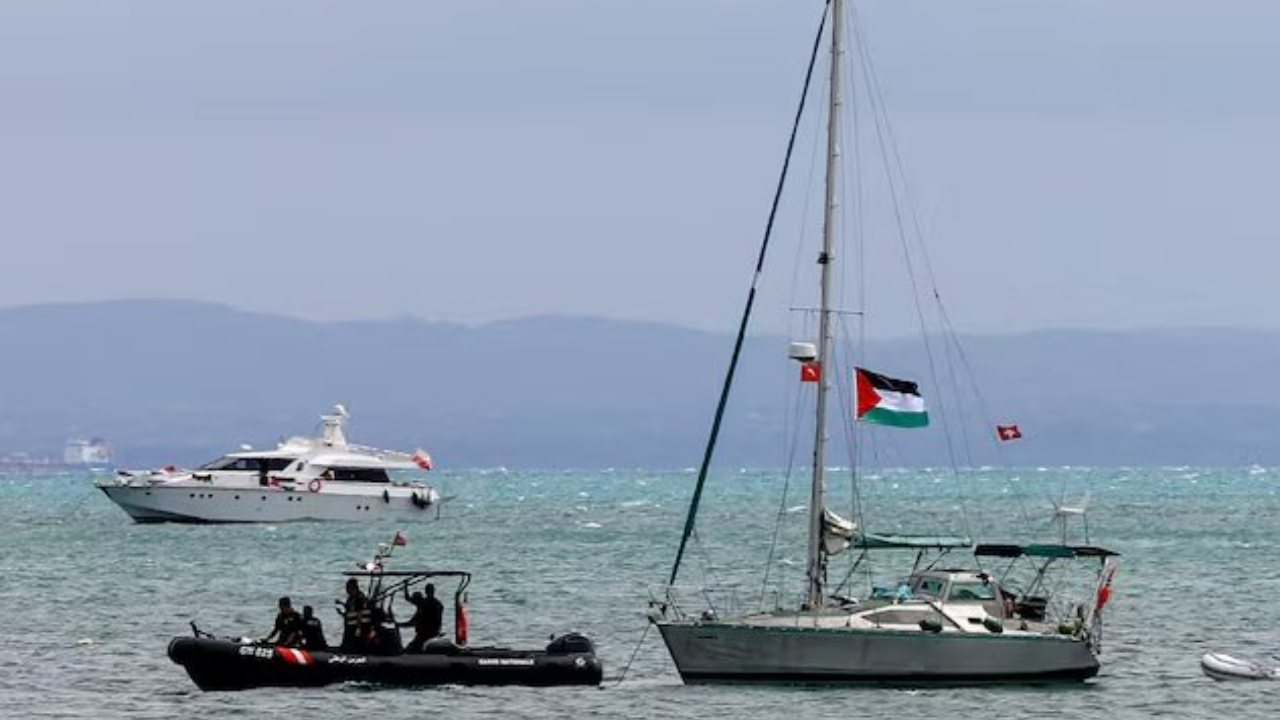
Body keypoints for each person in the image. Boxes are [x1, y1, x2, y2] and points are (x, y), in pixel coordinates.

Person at [400, 583, 445, 653]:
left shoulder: (424, 604)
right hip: (431, 632)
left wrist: (399, 625)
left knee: (407, 651)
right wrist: (405, 586)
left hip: (425, 635)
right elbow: (408, 598)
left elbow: (413, 622)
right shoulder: (437, 604)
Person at [340, 578, 369, 649]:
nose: (346, 590)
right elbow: (350, 609)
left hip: (356, 625)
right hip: (350, 624)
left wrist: (358, 629)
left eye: (348, 588)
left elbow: (359, 613)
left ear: (353, 587)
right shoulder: (351, 597)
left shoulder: (359, 598)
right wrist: (341, 609)